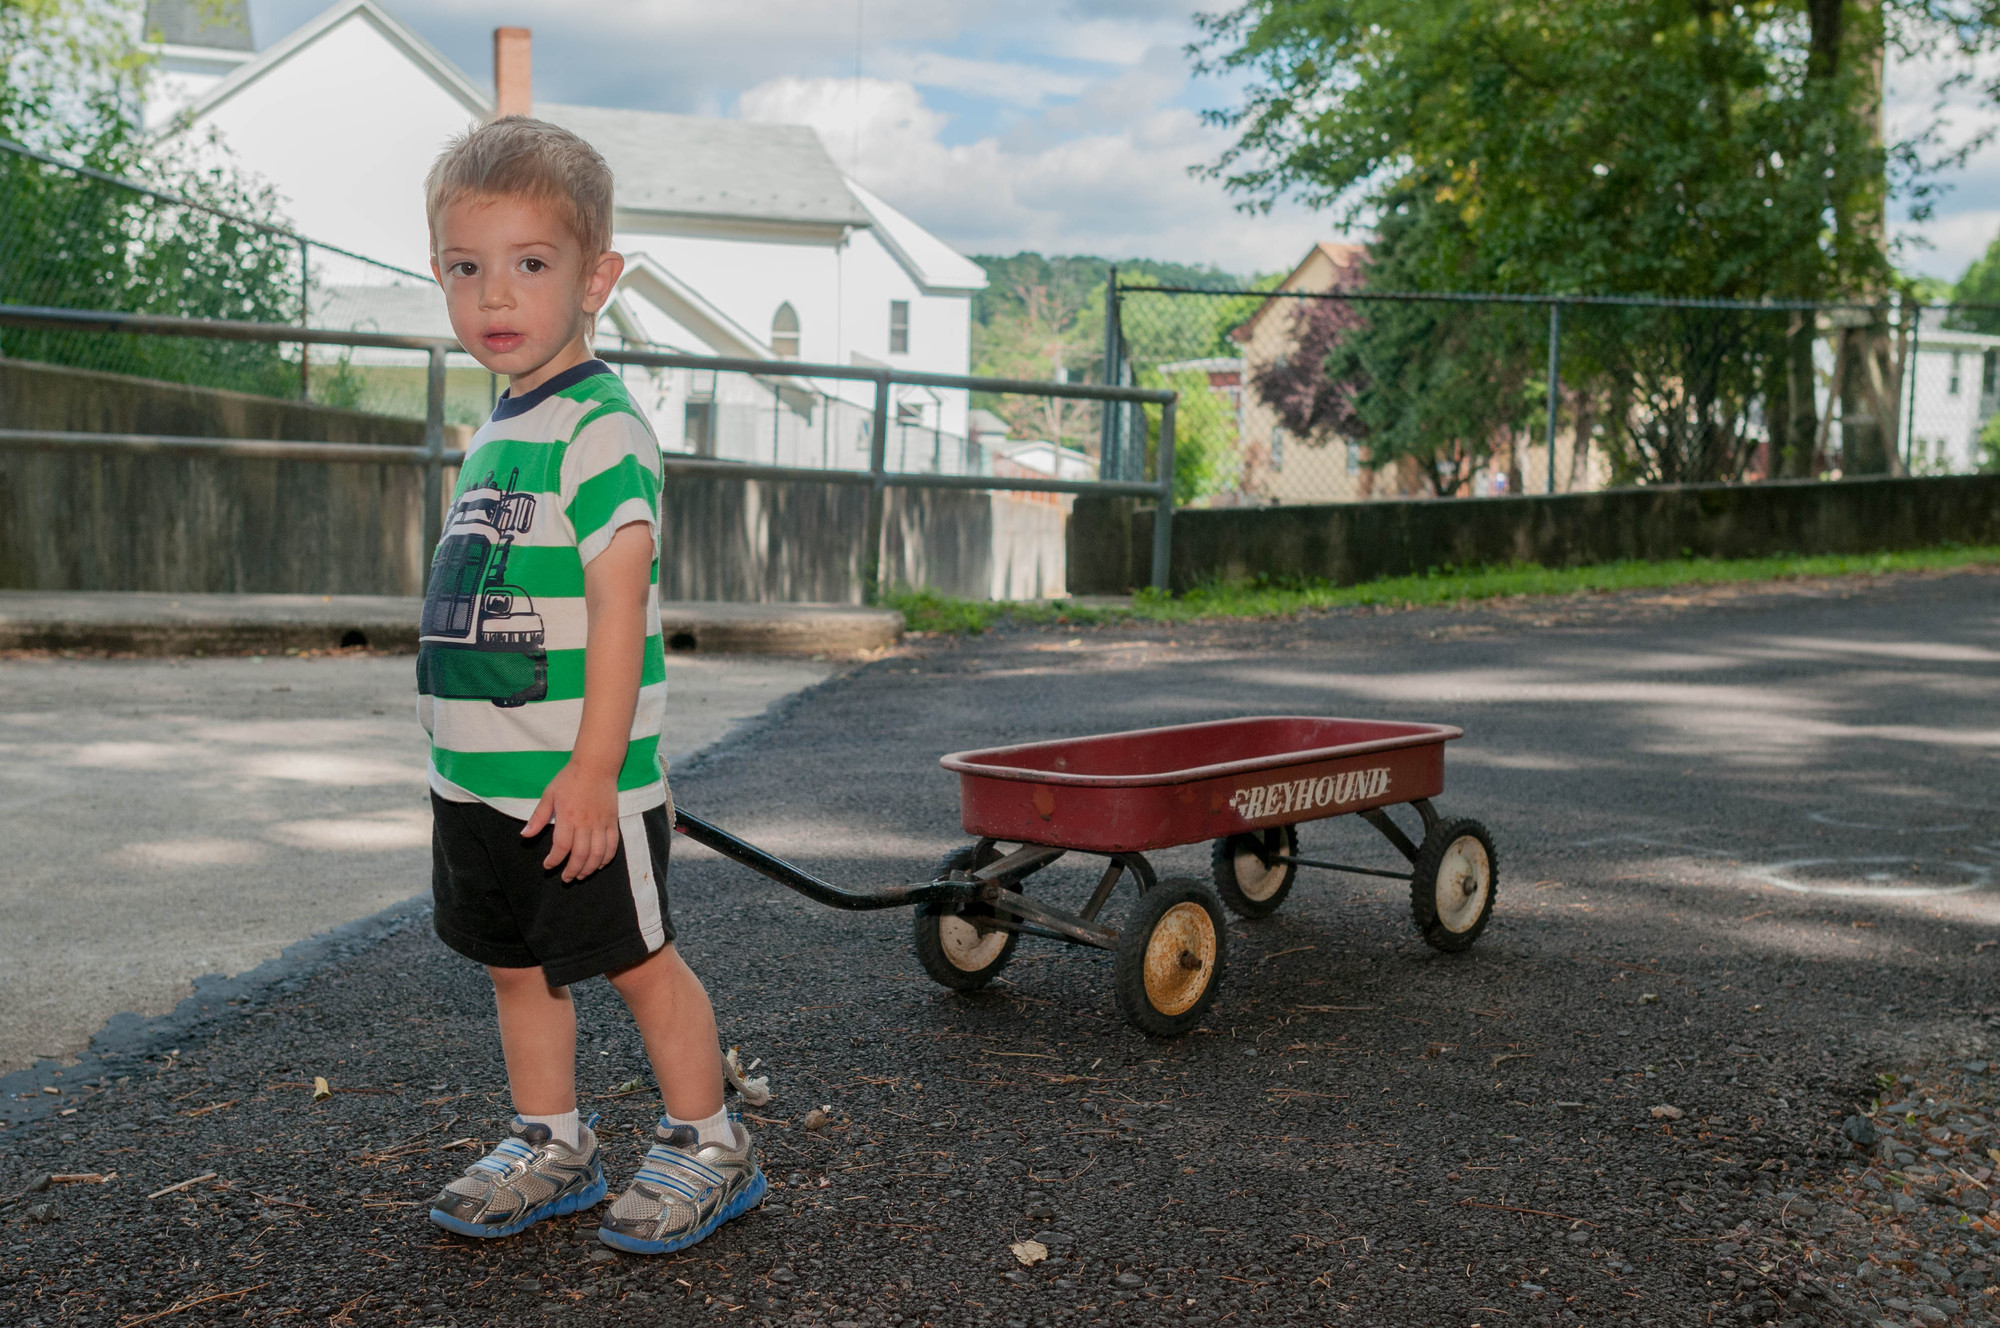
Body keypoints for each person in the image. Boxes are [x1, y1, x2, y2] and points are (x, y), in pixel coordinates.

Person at [415, 116, 762, 1254]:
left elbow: (619, 609)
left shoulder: (601, 427)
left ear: (594, 277)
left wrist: (595, 767)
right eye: (467, 267)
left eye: (530, 263)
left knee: (637, 962)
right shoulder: (494, 430)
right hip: (479, 777)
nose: (493, 294)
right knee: (518, 967)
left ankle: (710, 1139)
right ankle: (554, 1138)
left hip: (577, 782)